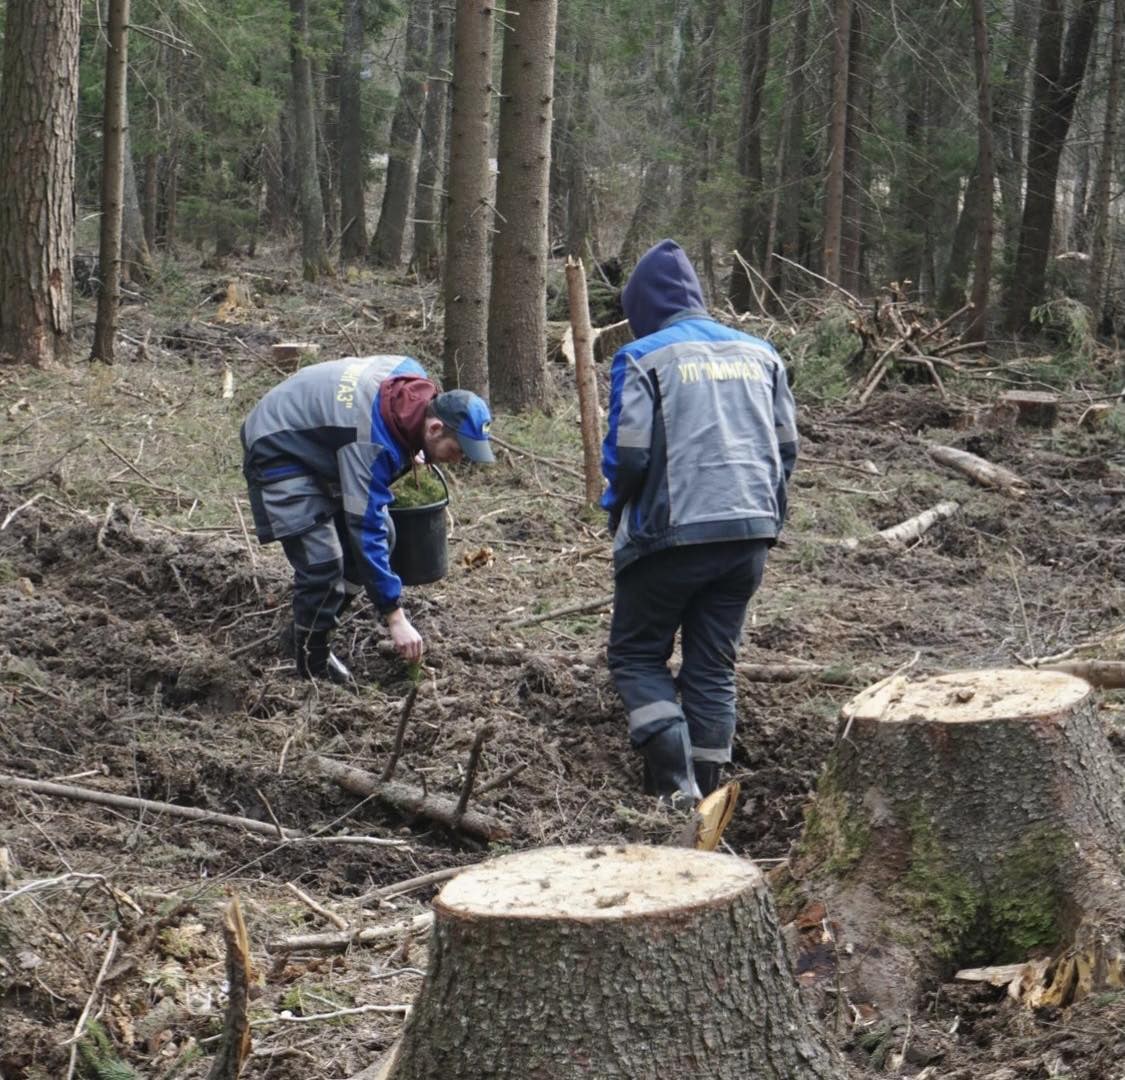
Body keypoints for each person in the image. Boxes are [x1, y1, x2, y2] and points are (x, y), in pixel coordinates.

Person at [601, 240, 798, 801]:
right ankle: (708, 797)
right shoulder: (763, 353)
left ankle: (674, 787)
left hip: (670, 533)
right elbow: (787, 450)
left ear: (641, 306)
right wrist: (768, 517)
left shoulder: (642, 357)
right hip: (749, 534)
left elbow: (630, 455)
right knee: (712, 669)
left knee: (637, 654)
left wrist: (616, 509)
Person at [241, 356, 494, 683]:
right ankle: (309, 660)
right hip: (276, 443)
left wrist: (414, 446)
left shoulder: (412, 378)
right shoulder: (372, 443)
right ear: (434, 428)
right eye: (458, 450)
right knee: (323, 561)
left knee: (386, 535)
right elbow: (364, 526)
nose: (458, 461)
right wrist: (395, 616)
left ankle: (310, 628)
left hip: (319, 438)